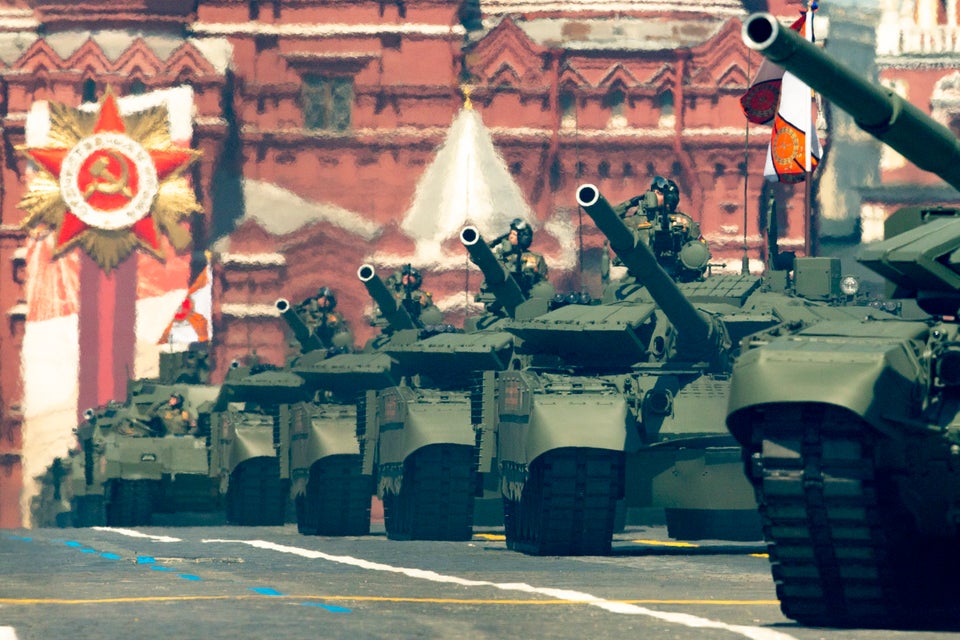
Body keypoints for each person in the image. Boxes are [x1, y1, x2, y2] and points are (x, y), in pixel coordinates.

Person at [492, 218, 549, 295]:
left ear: (523, 238)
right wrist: (494, 243)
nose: (510, 236)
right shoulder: (500, 255)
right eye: (510, 234)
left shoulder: (534, 258)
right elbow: (475, 258)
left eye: (514, 234)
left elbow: (542, 284)